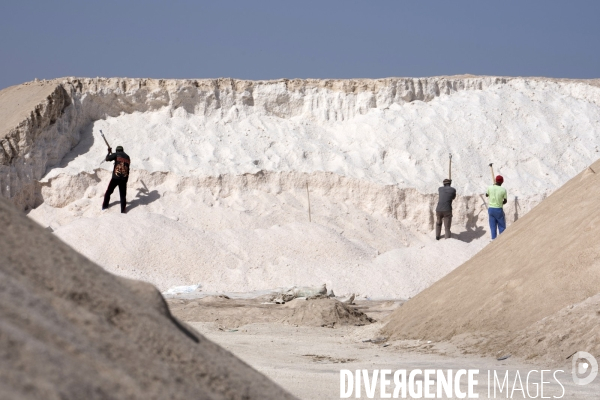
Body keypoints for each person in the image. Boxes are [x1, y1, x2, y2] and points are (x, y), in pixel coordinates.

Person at [102, 145, 131, 213]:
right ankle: (123, 210)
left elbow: (107, 159)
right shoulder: (127, 157)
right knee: (123, 195)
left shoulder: (116, 154)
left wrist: (109, 152)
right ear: (122, 150)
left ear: (117, 150)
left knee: (108, 192)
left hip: (116, 177)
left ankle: (105, 206)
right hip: (124, 178)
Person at [486, 175, 507, 239]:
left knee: (493, 226)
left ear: (495, 180)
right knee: (501, 226)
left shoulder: (490, 187)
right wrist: (501, 202)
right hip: (498, 209)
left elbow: (486, 195)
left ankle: (493, 239)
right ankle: (502, 239)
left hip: (491, 209)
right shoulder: (503, 190)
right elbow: (505, 201)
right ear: (502, 182)